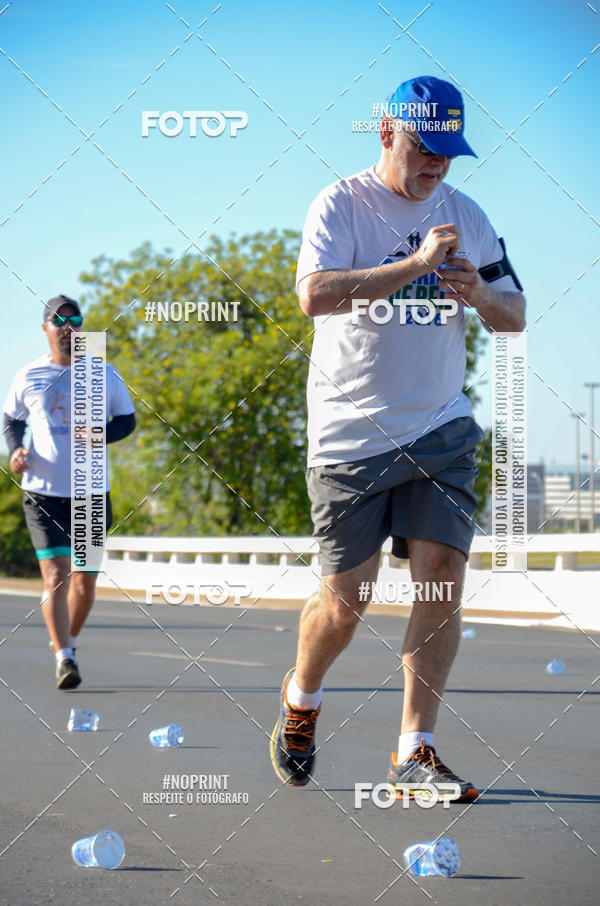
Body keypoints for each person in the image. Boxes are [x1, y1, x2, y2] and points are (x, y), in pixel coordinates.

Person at [270, 76, 525, 801]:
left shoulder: (466, 214)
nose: (436, 164)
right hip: (350, 437)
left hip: (440, 428)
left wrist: (478, 295)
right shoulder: (341, 203)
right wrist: (413, 266)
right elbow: (313, 296)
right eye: (423, 146)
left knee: (442, 579)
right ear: (387, 133)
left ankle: (416, 751)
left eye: (449, 151)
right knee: (345, 602)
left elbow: (517, 311)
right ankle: (302, 696)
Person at [3, 295, 135, 689]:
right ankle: (63, 657)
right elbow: (11, 421)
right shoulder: (29, 376)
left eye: (74, 319)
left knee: (84, 582)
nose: (67, 326)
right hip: (43, 493)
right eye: (58, 320)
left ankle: (67, 643)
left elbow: (127, 421)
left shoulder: (102, 373)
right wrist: (16, 451)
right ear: (46, 328)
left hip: (91, 493)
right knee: (58, 576)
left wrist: (99, 434)